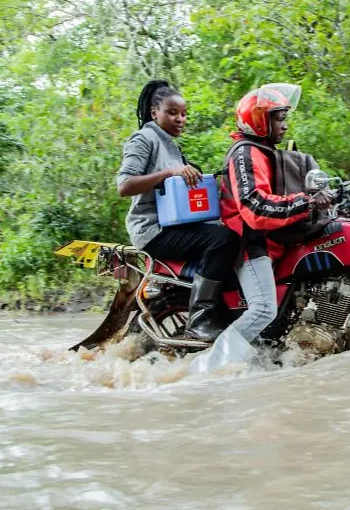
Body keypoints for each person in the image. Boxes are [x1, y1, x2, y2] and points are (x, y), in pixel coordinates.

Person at [117, 79, 239, 341]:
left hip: (176, 225)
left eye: (183, 114)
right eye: (172, 113)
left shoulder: (172, 144)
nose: (180, 119)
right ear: (154, 113)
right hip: (153, 230)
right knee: (223, 240)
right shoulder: (144, 138)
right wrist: (170, 172)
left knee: (232, 232)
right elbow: (124, 185)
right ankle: (199, 319)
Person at [220, 84, 331, 343]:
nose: (285, 125)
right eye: (279, 119)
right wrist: (308, 202)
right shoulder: (245, 153)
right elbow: (255, 207)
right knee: (263, 310)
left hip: (271, 240)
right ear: (259, 121)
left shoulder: (265, 151)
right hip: (250, 243)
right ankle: (210, 368)